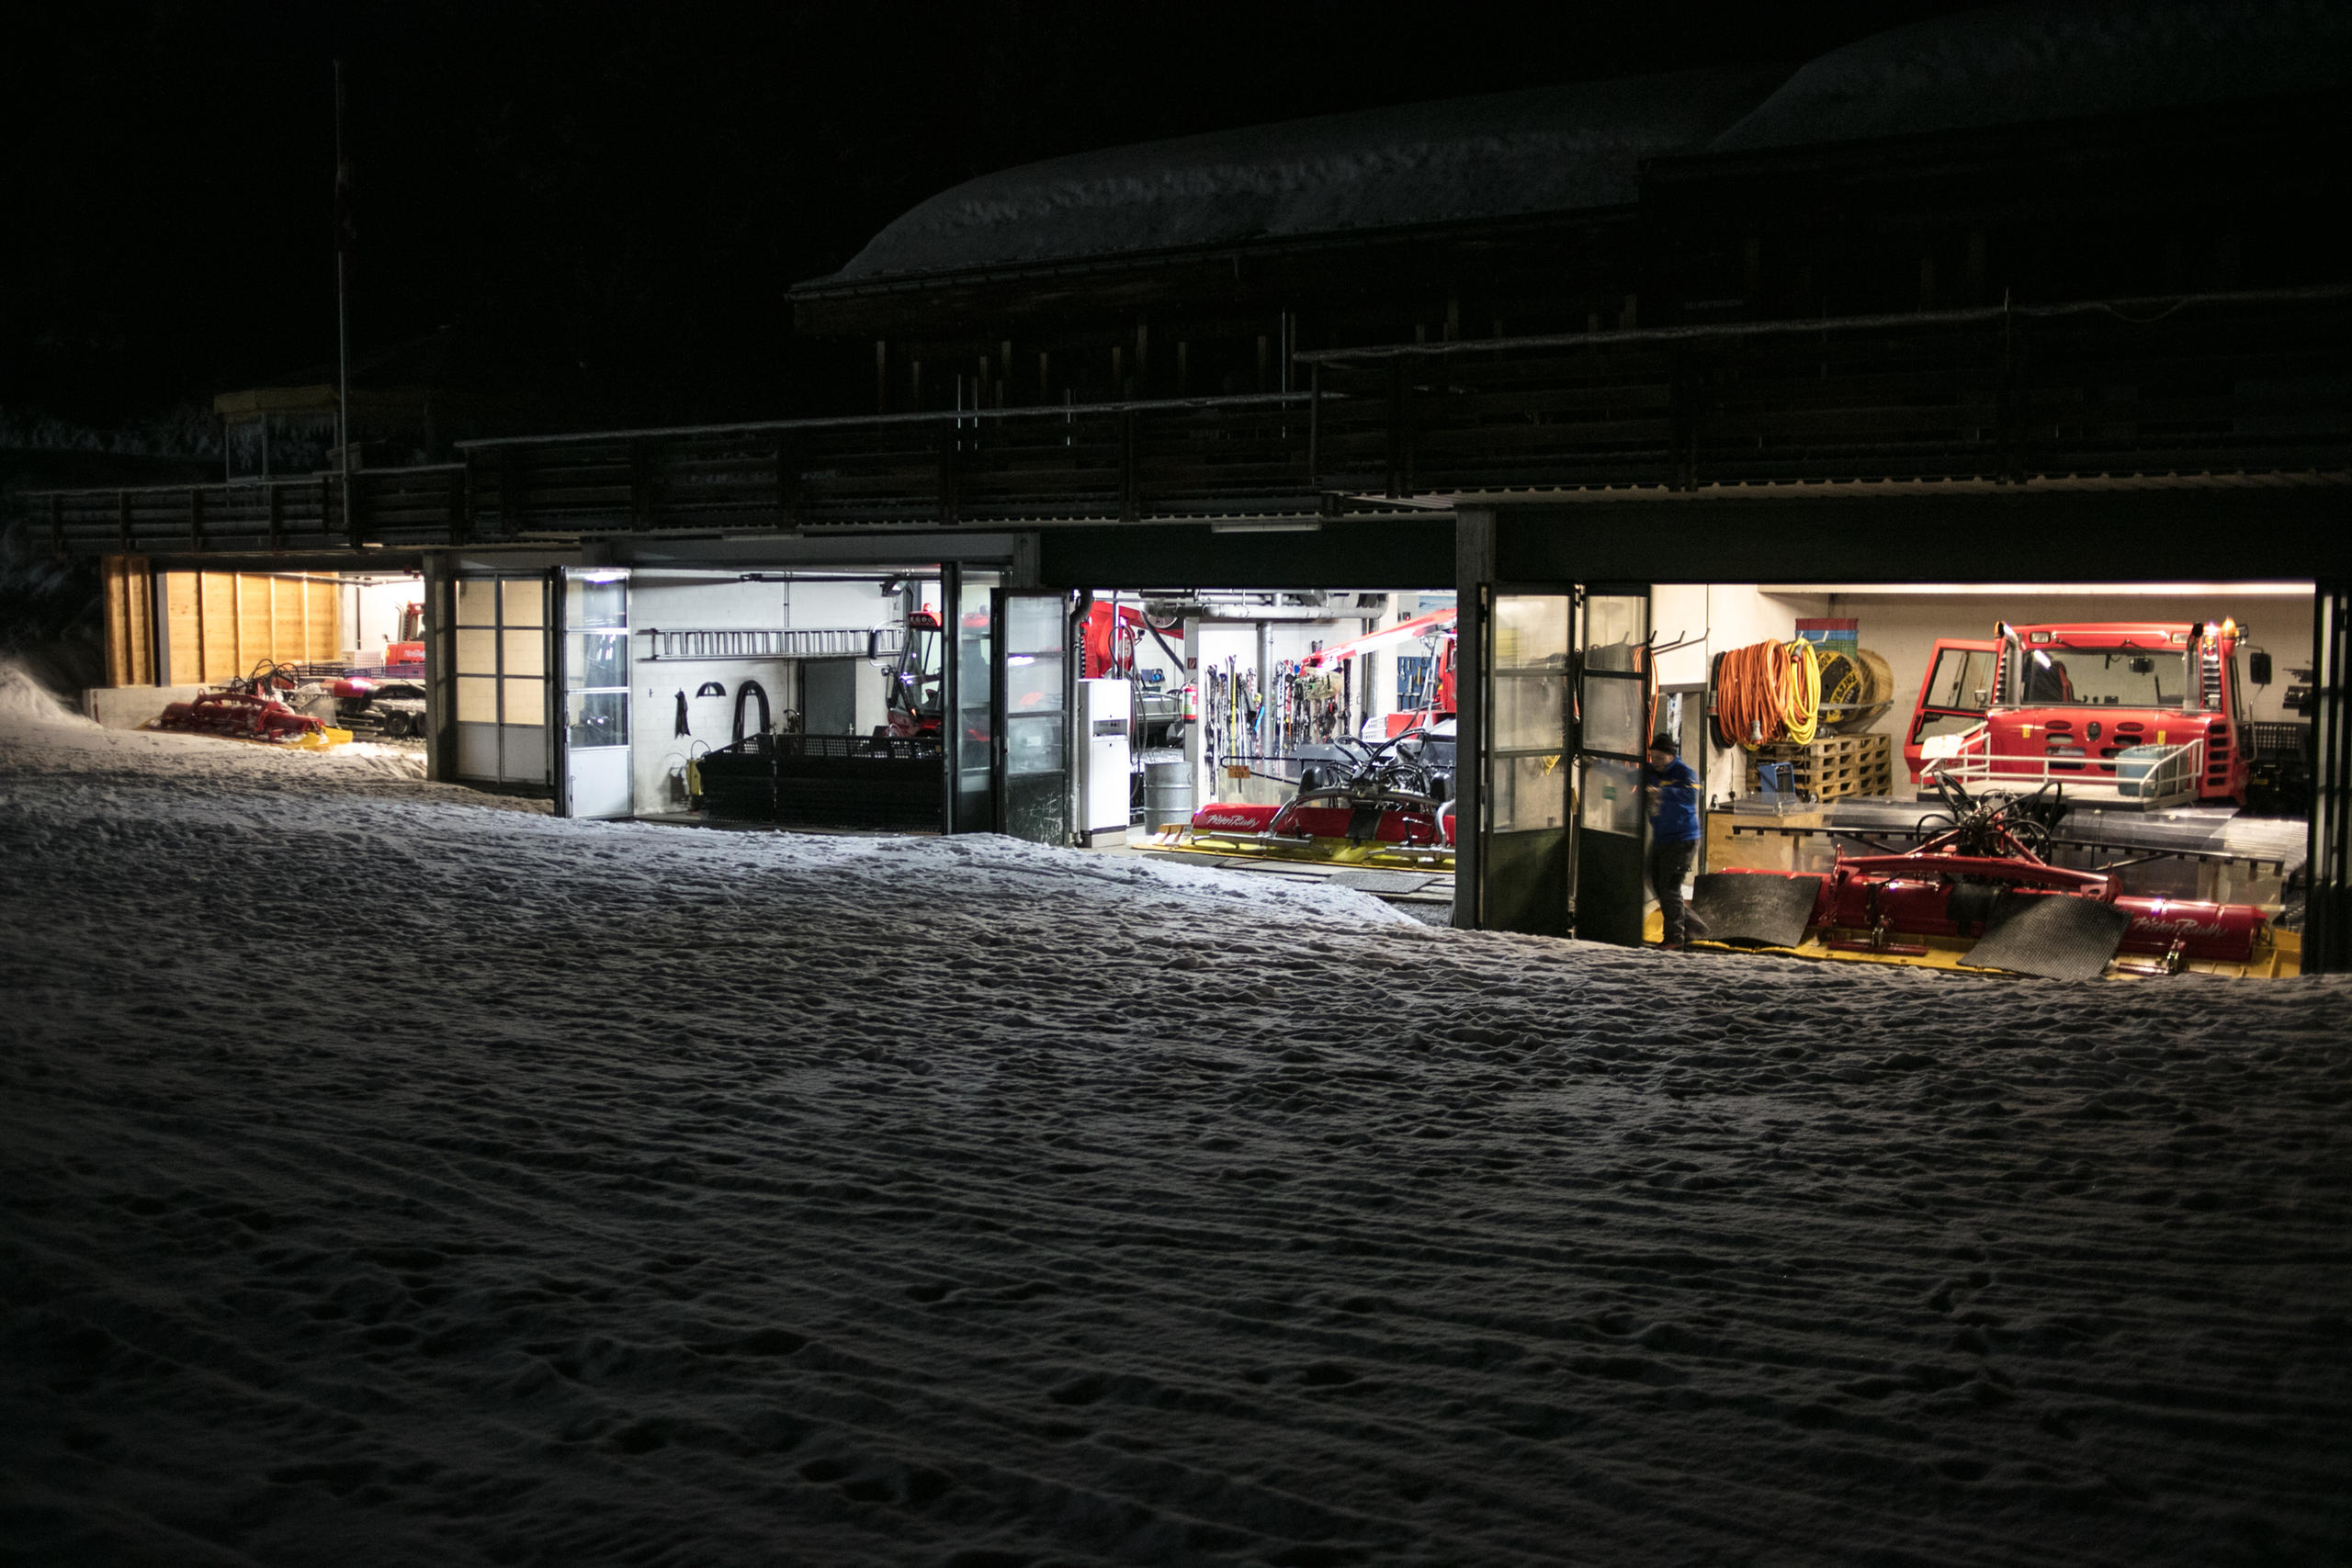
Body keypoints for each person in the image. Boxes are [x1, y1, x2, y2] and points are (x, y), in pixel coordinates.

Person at [1645, 735, 1703, 947]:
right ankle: (1694, 926)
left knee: (1669, 888)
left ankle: (1674, 938)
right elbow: (1628, 775)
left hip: (1682, 841)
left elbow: (1689, 796)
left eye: (1660, 758)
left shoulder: (1685, 774)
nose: (1656, 762)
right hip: (1661, 838)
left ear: (1671, 756)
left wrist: (1662, 792)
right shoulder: (1650, 772)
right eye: (1653, 757)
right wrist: (1599, 765)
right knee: (1656, 884)